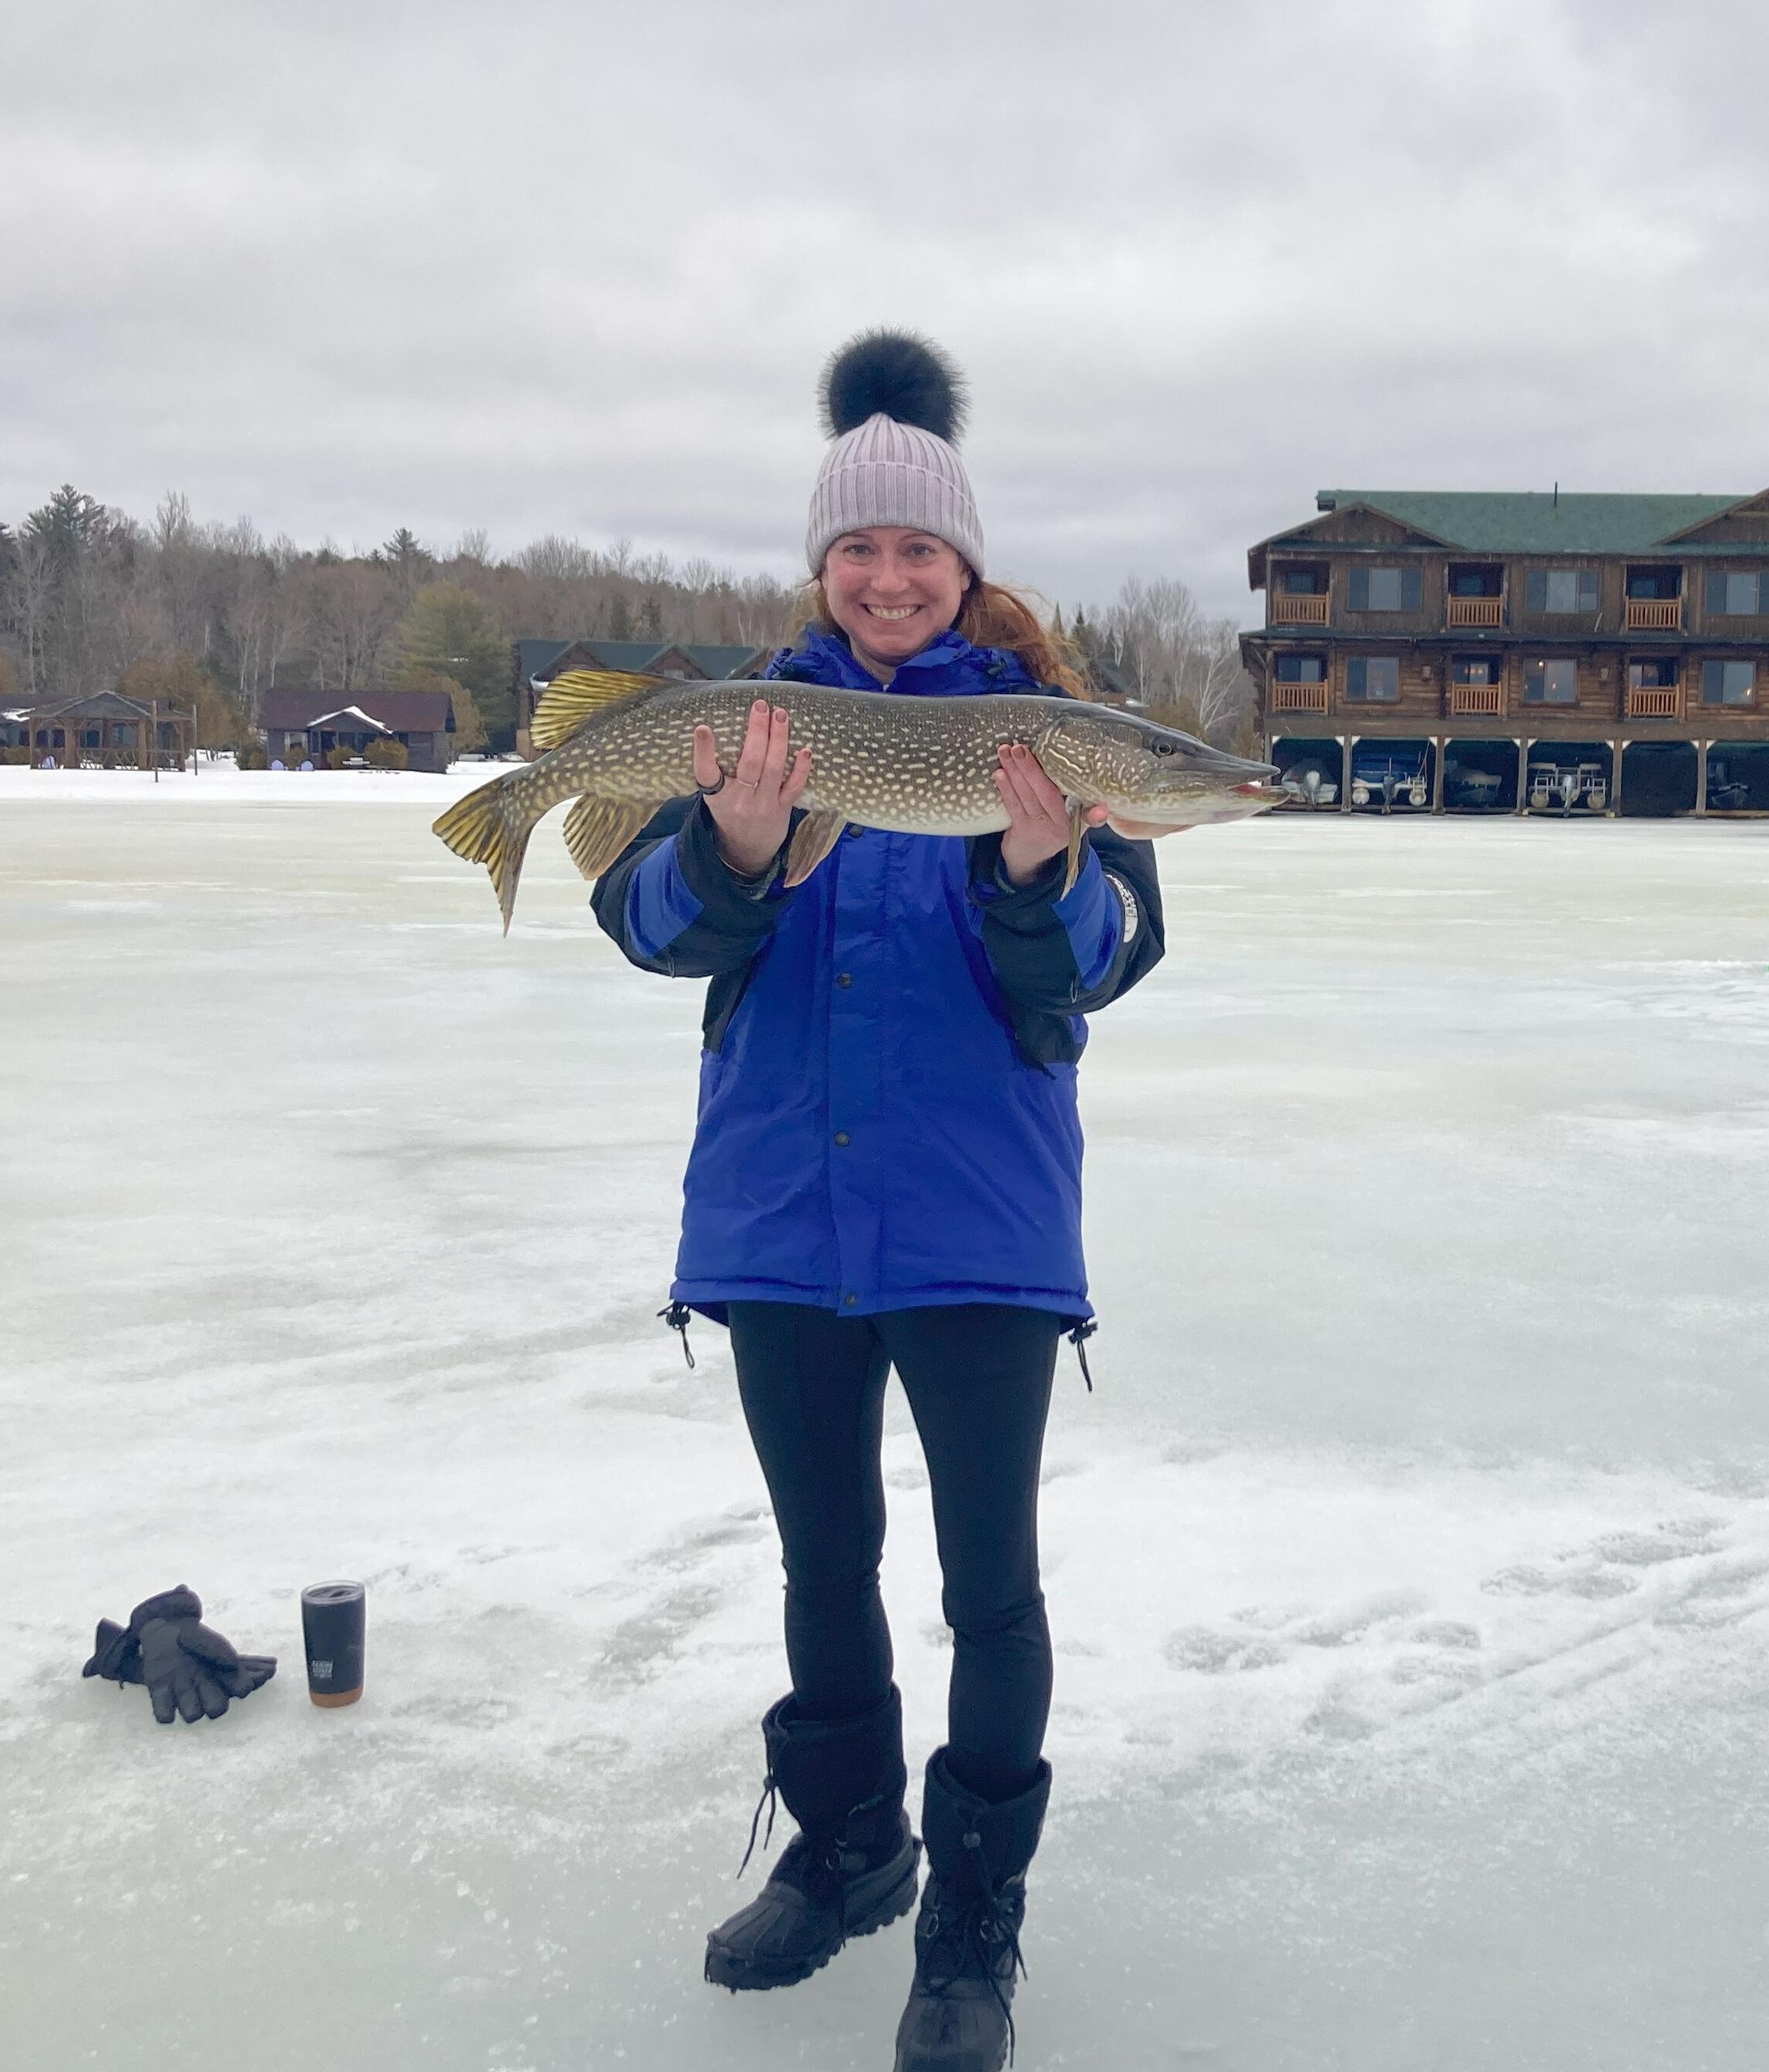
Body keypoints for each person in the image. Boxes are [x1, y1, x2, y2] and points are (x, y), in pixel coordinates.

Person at [590, 331, 1166, 2072]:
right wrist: (736, 852)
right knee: (820, 1562)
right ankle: (851, 1852)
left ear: (966, 566)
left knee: (991, 1586)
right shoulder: (754, 725)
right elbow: (646, 928)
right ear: (822, 565)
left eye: (922, 551)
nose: (892, 575)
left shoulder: (1042, 740)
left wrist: (1037, 870)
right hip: (777, 1221)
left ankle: (975, 1924)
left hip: (980, 1229)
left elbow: (1099, 973)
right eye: (861, 549)